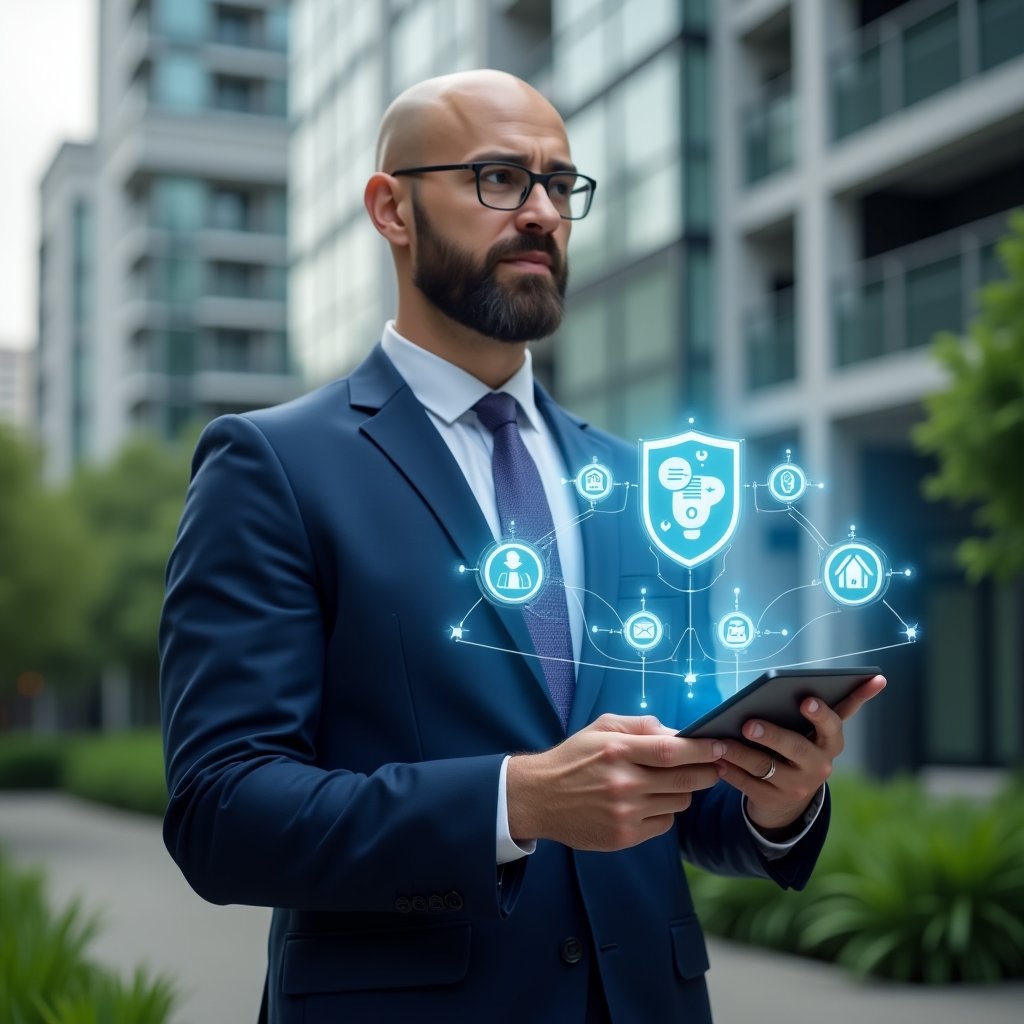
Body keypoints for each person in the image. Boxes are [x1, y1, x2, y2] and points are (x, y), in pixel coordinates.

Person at [159, 69, 885, 1024]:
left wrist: (771, 800)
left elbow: (677, 791)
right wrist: (515, 803)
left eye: (560, 184)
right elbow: (222, 812)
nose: (541, 211)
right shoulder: (272, 466)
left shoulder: (636, 481)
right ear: (392, 209)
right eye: (499, 178)